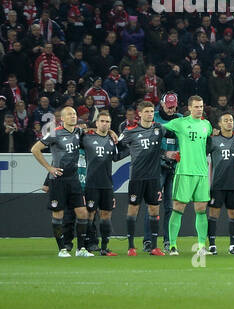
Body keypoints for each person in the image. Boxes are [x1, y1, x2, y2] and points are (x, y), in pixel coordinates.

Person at [30, 106, 94, 257]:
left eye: (74, 114)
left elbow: (93, 132)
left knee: (83, 213)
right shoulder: (54, 133)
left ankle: (81, 249)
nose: (73, 116)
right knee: (58, 214)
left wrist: (110, 131)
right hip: (58, 179)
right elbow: (35, 149)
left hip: (74, 179)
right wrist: (49, 168)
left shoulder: (78, 132)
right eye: (69, 114)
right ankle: (62, 249)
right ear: (62, 118)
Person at [158, 96, 213, 255]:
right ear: (189, 108)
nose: (199, 109)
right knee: (178, 208)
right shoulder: (179, 123)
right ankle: (173, 245)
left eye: (201, 106)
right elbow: (159, 128)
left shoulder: (206, 125)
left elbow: (208, 142)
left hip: (202, 172)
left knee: (201, 209)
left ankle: (202, 246)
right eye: (196, 107)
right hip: (184, 171)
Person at [117, 100, 168, 255]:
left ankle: (154, 247)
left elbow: (175, 134)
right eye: (146, 111)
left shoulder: (159, 128)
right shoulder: (129, 131)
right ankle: (131, 246)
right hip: (137, 177)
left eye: (152, 111)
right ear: (139, 113)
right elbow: (116, 147)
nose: (149, 114)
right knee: (133, 210)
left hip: (153, 177)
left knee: (154, 209)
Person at [207, 112, 234, 254]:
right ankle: (212, 245)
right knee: (213, 213)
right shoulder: (213, 140)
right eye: (225, 120)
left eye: (231, 120)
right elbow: (201, 156)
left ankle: (233, 246)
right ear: (219, 124)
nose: (229, 122)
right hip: (218, 183)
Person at [81, 110, 119, 256]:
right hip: (91, 183)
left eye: (107, 122)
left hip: (107, 184)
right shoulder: (87, 138)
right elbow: (78, 133)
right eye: (102, 121)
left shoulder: (112, 140)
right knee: (89, 215)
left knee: (105, 215)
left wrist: (112, 132)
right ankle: (85, 246)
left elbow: (117, 156)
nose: (104, 124)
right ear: (96, 123)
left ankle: (104, 247)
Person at [156, 93, 183, 250]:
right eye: (168, 106)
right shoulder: (153, 117)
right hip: (157, 166)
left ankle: (168, 240)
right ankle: (149, 241)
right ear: (162, 104)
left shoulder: (181, 119)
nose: (171, 109)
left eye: (174, 106)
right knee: (153, 204)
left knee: (170, 206)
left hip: (175, 166)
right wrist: (163, 154)